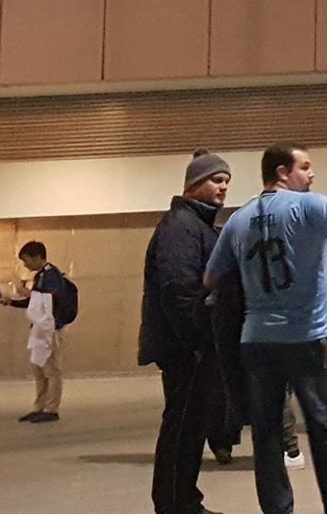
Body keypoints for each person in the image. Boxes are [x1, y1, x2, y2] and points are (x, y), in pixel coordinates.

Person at [205, 143, 327, 514]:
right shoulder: (308, 206)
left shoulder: (238, 219)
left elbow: (212, 275)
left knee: (266, 435)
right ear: (283, 172)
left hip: (258, 341)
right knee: (324, 425)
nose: (311, 175)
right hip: (307, 337)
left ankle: (277, 510)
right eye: (305, 167)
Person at [142, 149, 233, 514]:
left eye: (226, 180)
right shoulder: (181, 226)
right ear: (193, 184)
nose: (223, 186)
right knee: (182, 429)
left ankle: (185, 500)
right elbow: (178, 290)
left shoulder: (195, 224)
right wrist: (197, 342)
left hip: (194, 345)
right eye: (216, 179)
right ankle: (175, 504)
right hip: (185, 348)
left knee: (192, 428)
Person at [1, 239, 69, 422]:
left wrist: (28, 293)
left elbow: (50, 299)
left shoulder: (51, 274)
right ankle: (40, 406)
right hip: (39, 327)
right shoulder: (40, 276)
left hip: (50, 327)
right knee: (39, 369)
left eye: (26, 260)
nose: (25, 264)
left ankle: (52, 408)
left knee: (51, 370)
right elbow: (35, 303)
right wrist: (13, 302)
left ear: (37, 257)